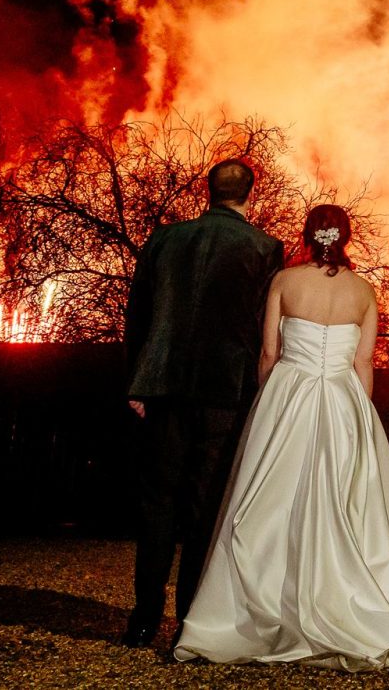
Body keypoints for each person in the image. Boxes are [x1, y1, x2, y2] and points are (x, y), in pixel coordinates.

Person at [173, 204, 389, 670]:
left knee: (270, 499)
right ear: (346, 238)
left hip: (289, 394)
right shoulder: (364, 292)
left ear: (308, 236)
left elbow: (269, 352)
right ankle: (347, 601)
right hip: (344, 402)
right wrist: (362, 415)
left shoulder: (284, 282)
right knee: (343, 501)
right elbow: (363, 363)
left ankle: (257, 610)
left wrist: (268, 404)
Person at [121, 158, 285, 648]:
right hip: (224, 391)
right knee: (204, 507)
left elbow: (139, 315)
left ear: (208, 191)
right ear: (249, 194)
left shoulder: (165, 238)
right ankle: (190, 619)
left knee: (157, 504)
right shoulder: (263, 248)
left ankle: (143, 619)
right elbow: (264, 329)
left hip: (164, 386)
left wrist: (136, 382)